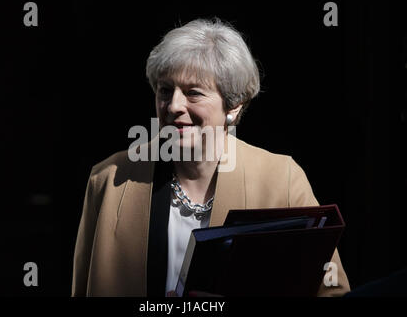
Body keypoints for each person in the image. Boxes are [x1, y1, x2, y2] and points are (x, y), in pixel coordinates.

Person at [71, 18, 350, 297]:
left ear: (233, 105)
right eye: (165, 90)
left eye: (193, 93)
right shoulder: (109, 179)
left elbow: (331, 291)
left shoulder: (281, 179)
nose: (174, 106)